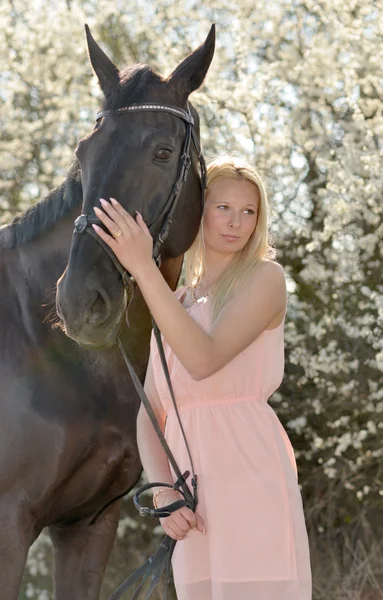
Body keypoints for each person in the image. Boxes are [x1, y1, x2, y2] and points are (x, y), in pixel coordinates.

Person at [92, 155, 313, 600]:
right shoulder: (178, 301)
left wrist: (143, 268)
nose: (235, 222)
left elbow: (204, 359)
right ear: (200, 210)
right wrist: (161, 493)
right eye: (222, 207)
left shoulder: (265, 278)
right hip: (192, 493)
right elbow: (151, 412)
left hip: (250, 476)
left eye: (248, 211)